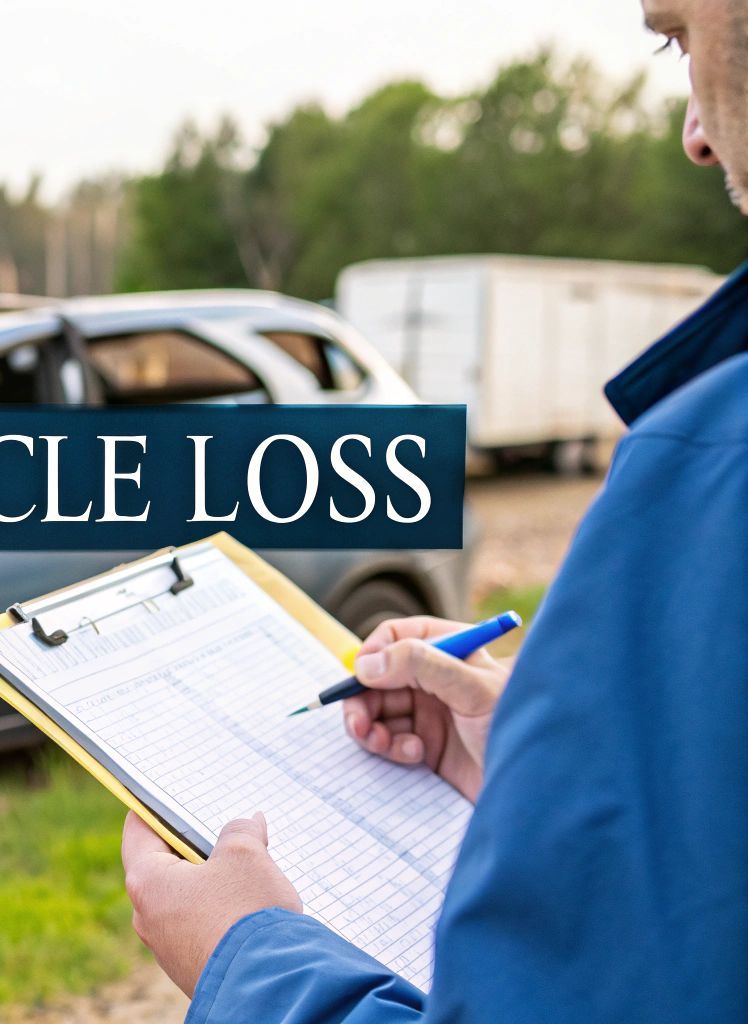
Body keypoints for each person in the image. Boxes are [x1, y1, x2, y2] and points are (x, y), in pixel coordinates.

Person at [119, 1, 748, 1019]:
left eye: (677, 38)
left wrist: (249, 958)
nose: (692, 131)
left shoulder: (711, 467)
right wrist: (549, 778)